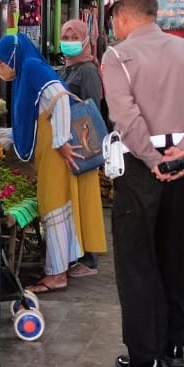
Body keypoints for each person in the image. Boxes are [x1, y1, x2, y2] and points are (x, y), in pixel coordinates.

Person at [101, 0, 184, 367]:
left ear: (122, 18)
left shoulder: (117, 56)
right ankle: (174, 345)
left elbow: (127, 118)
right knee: (173, 255)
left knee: (137, 262)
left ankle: (145, 356)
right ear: (154, 13)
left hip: (141, 168)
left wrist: (153, 160)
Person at [0, 34, 105, 293]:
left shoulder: (31, 67)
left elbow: (60, 97)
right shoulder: (26, 71)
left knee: (53, 209)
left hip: (56, 150)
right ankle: (61, 266)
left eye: (1, 60)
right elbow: (35, 118)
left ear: (12, 56)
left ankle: (57, 275)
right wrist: (6, 135)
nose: (0, 66)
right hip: (50, 149)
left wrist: (62, 140)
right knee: (58, 209)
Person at [57, 18, 105, 273]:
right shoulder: (67, 69)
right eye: (65, 38)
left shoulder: (87, 70)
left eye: (74, 38)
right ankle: (77, 252)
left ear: (85, 40)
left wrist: (87, 146)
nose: (68, 43)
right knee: (75, 201)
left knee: (85, 201)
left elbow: (91, 109)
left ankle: (89, 259)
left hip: (83, 144)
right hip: (69, 144)